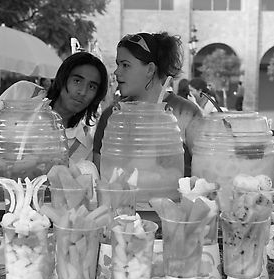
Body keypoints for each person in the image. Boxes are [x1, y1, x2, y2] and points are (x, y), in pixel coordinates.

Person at [92, 31, 203, 176]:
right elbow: (101, 177)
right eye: (118, 64)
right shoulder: (112, 116)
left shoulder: (186, 113)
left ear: (150, 69)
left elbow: (206, 173)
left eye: (125, 65)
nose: (117, 72)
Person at [45, 51, 109, 162]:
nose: (83, 92)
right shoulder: (24, 93)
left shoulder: (84, 146)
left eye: (92, 87)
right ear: (63, 78)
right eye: (77, 81)